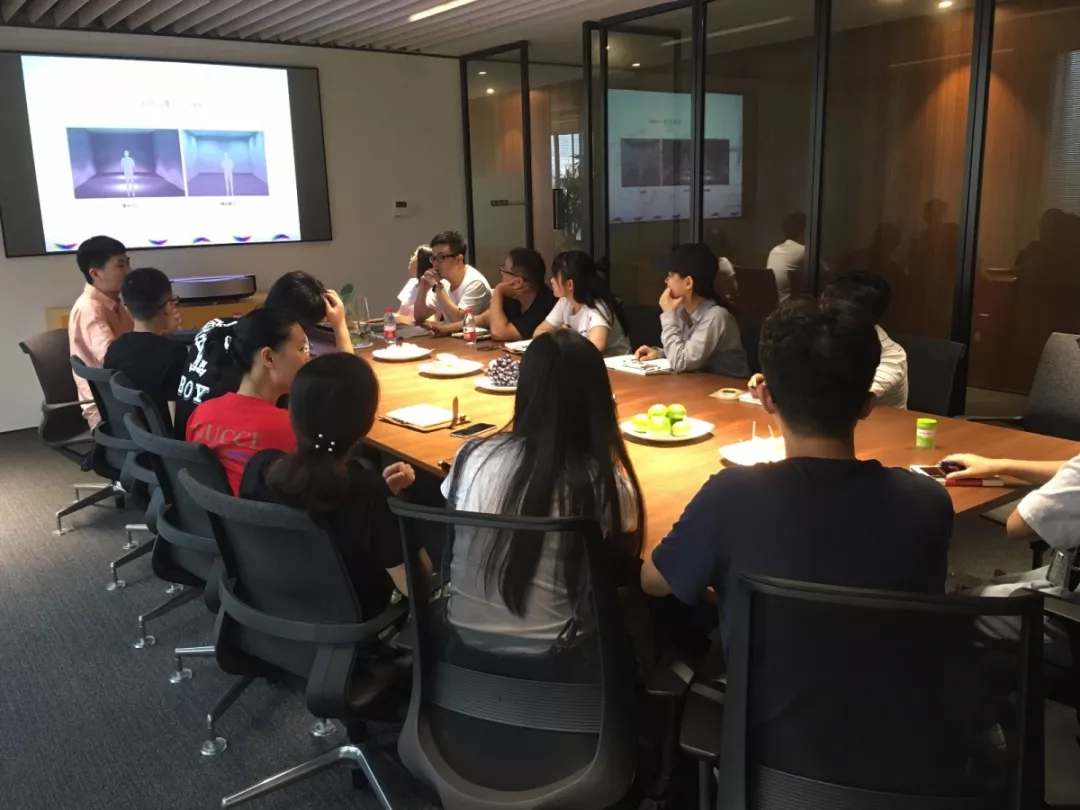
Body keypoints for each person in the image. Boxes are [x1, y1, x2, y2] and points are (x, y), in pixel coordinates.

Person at [641, 298, 953, 648]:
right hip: (900, 682)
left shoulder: (730, 497)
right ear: (868, 404)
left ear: (765, 397)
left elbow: (653, 581)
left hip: (766, 684)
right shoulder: (929, 500)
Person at [441, 329, 645, 654]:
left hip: (461, 649)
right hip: (559, 661)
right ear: (598, 401)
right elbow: (620, 559)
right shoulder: (604, 483)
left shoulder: (471, 457)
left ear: (525, 391)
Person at [241, 352, 430, 618]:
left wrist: (382, 496)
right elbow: (416, 583)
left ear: (291, 412)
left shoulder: (261, 468)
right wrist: (390, 506)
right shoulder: (366, 491)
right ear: (368, 422)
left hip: (273, 613)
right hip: (352, 624)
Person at [174, 271, 352, 439]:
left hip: (189, 444)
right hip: (233, 449)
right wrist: (340, 326)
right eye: (301, 346)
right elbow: (352, 388)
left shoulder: (218, 328)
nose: (306, 351)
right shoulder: (265, 365)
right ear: (268, 357)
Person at [186, 308, 311, 494]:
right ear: (268, 357)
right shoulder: (290, 428)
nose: (308, 357)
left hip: (208, 512)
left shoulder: (201, 414)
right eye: (302, 349)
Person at [633, 243, 750, 377]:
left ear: (688, 282)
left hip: (729, 386)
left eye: (670, 276)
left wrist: (668, 315)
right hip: (699, 383)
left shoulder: (716, 316)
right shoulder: (681, 310)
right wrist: (660, 353)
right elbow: (686, 352)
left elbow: (681, 362)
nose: (666, 281)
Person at [104, 267, 186, 431]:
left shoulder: (114, 348)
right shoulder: (174, 353)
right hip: (163, 441)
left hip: (128, 436)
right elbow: (178, 417)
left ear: (128, 308)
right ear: (168, 307)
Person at [68, 235, 133, 428]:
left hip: (123, 393)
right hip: (108, 407)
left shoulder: (113, 303)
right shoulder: (91, 310)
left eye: (128, 262)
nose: (129, 271)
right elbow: (112, 359)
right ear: (95, 274)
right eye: (120, 265)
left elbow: (134, 343)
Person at [820, 272, 908, 408]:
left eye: (834, 308)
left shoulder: (892, 355)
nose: (823, 309)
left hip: (877, 421)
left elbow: (847, 399)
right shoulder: (823, 336)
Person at [429, 247, 556, 340]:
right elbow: (483, 319)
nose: (501, 274)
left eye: (504, 270)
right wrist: (446, 329)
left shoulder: (545, 304)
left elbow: (499, 333)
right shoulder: (513, 297)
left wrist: (498, 291)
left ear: (517, 282)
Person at [534, 250, 632, 357]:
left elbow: (596, 347)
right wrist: (558, 333)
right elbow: (539, 332)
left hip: (615, 364)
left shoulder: (597, 306)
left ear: (569, 285)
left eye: (556, 277)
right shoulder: (564, 302)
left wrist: (566, 338)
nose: (552, 280)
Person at [412, 230, 492, 325]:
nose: (435, 263)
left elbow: (460, 321)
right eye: (434, 258)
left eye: (441, 257)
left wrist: (438, 287)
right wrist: (423, 288)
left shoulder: (475, 283)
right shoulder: (444, 281)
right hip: (450, 333)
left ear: (458, 259)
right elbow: (419, 316)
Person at [766, 212, 807, 301]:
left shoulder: (774, 250)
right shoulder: (803, 251)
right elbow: (826, 274)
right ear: (804, 231)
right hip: (792, 306)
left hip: (774, 305)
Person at [395, 244, 432, 322]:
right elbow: (400, 313)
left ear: (422, 262)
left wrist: (401, 319)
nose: (410, 259)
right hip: (403, 327)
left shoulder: (433, 287)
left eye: (414, 256)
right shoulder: (411, 282)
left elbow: (432, 320)